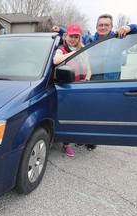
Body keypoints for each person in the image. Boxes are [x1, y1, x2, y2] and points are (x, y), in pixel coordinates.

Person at [52, 14, 137, 151]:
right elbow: (74, 37)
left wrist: (129, 27)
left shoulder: (119, 40)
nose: (103, 27)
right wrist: (60, 30)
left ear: (111, 26)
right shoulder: (90, 39)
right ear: (96, 27)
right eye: (101, 25)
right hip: (91, 81)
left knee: (102, 112)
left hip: (109, 82)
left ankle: (93, 140)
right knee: (88, 112)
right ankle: (83, 138)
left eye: (106, 25)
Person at [53, 23, 91, 157]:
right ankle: (66, 144)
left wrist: (86, 82)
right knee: (65, 117)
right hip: (66, 89)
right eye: (71, 36)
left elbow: (88, 68)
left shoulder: (83, 50)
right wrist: (72, 53)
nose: (73, 39)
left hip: (80, 88)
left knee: (77, 116)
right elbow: (55, 60)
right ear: (66, 36)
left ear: (79, 38)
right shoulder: (61, 49)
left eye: (76, 36)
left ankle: (73, 138)